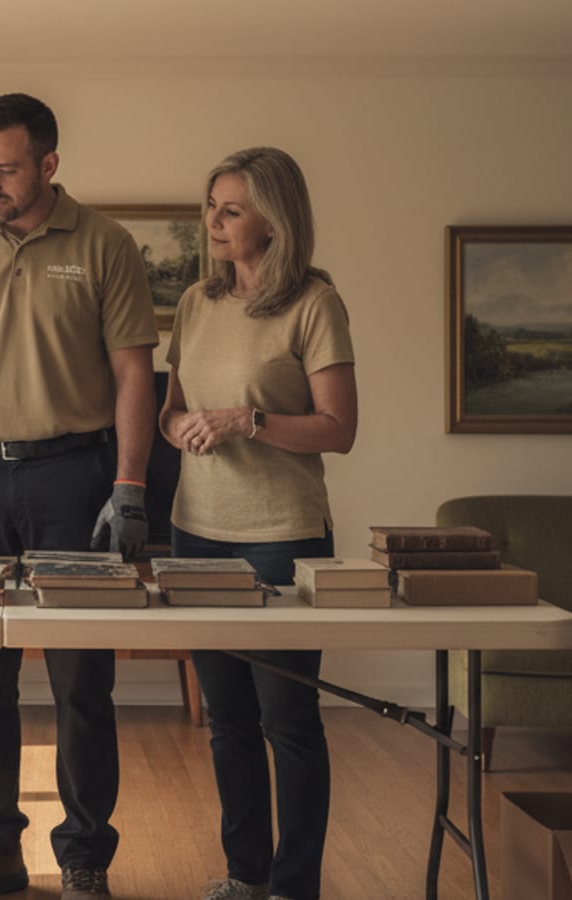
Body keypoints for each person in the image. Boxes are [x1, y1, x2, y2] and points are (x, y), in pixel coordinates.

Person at [0, 92, 158, 900]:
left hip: (73, 475)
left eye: (6, 167)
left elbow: (132, 373)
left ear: (49, 164)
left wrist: (129, 486)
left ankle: (84, 856)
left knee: (83, 679)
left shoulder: (107, 245)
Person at [158, 147, 358, 900]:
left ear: (273, 219)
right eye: (210, 205)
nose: (213, 220)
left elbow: (339, 428)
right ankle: (245, 877)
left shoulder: (315, 303)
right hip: (196, 533)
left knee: (289, 721)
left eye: (230, 208)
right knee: (227, 720)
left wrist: (249, 419)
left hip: (282, 537)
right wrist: (183, 429)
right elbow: (172, 408)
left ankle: (293, 886)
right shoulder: (194, 303)